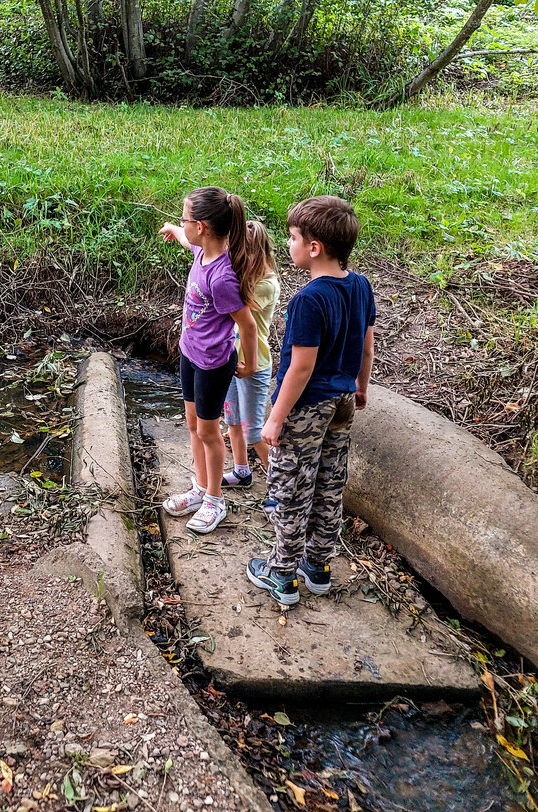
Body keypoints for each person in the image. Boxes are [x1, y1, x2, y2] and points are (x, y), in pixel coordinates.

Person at [246, 196, 376, 607]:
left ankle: (282, 574)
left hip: (307, 406)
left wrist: (275, 418)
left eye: (293, 237)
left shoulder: (309, 300)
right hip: (341, 400)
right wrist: (361, 387)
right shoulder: (359, 287)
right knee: (329, 481)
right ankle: (317, 566)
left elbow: (300, 368)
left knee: (292, 486)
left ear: (314, 247)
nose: (289, 244)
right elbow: (367, 348)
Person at [158, 186, 258, 534]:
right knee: (191, 423)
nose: (183, 224)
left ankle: (215, 499)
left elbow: (246, 325)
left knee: (209, 431)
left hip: (214, 362)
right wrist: (175, 229)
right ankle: (200, 487)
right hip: (190, 352)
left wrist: (248, 363)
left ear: (201, 226)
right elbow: (190, 244)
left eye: (184, 219)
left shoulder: (224, 276)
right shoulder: (202, 251)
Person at [219, 220, 281, 489]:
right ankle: (242, 471)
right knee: (232, 419)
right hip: (234, 359)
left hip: (255, 365)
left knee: (254, 431)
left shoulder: (266, 284)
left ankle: (280, 489)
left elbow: (239, 306)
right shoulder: (250, 277)